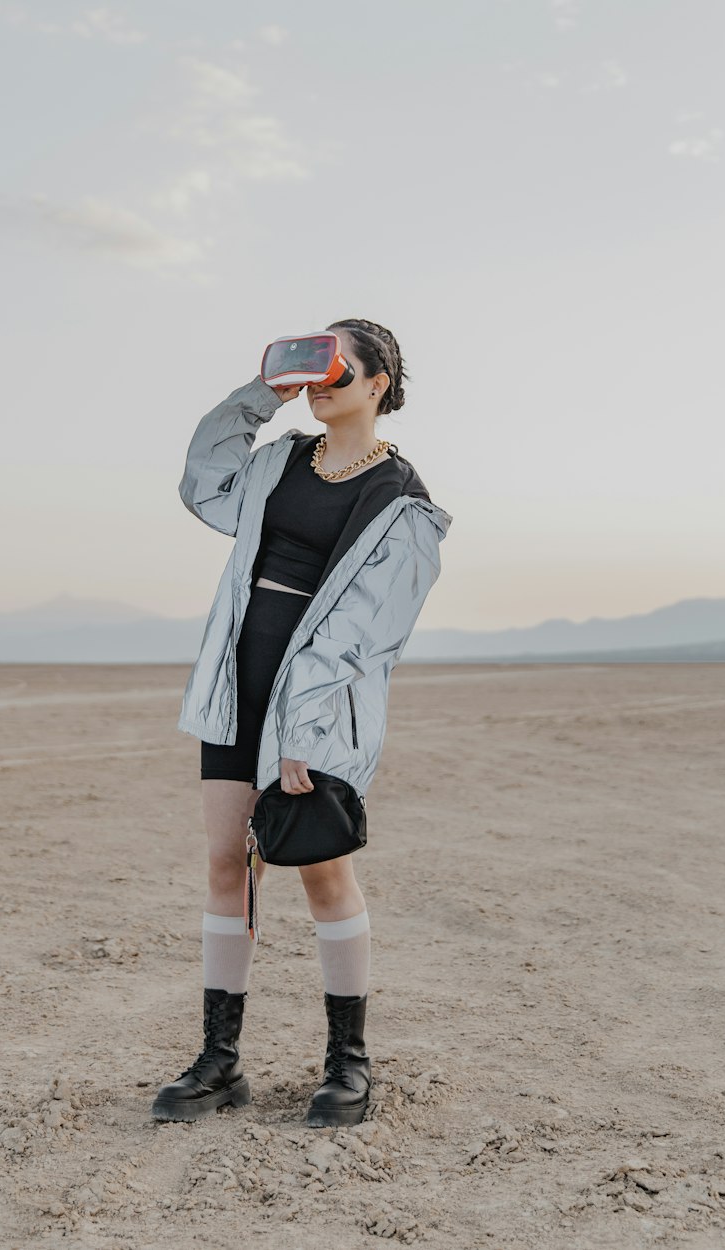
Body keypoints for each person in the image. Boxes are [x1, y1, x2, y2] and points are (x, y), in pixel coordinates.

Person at [152, 318, 452, 1128]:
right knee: (227, 865)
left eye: (336, 371)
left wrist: (304, 734)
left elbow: (367, 634)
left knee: (319, 868)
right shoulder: (280, 459)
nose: (320, 385)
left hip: (317, 705)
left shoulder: (403, 504)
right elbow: (201, 482)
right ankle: (220, 1062)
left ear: (378, 384)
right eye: (310, 368)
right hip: (237, 683)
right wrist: (261, 397)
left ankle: (348, 1066)